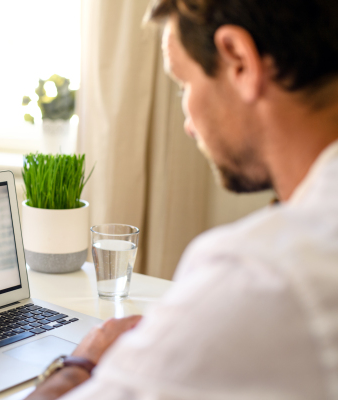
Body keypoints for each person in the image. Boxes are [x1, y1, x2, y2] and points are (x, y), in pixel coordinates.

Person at [28, 0, 338, 398]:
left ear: (239, 60)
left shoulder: (260, 275)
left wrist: (79, 363)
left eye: (184, 84)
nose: (189, 125)